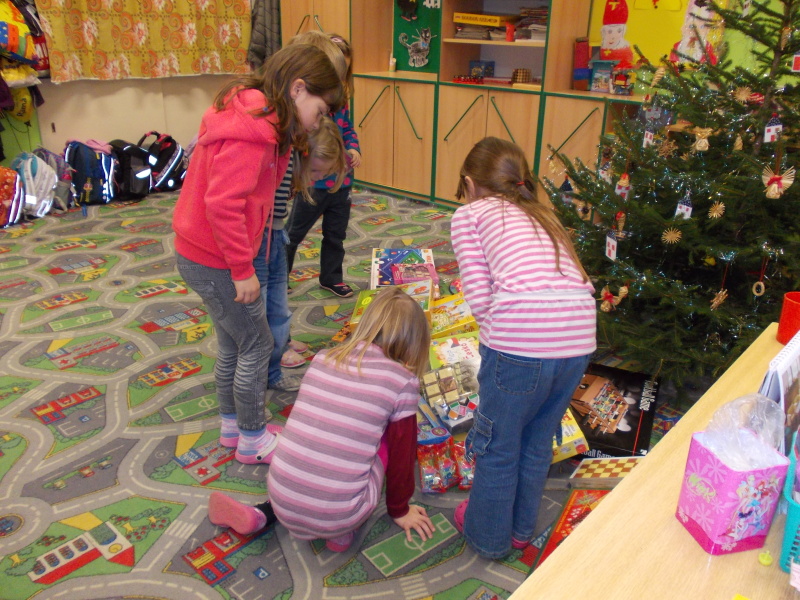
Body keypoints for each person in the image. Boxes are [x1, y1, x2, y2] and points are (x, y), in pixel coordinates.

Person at [172, 43, 343, 465]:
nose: (318, 121)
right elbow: (223, 204)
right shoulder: (256, 131)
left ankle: (232, 426)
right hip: (216, 259)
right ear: (298, 89)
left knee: (233, 345)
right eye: (320, 110)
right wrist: (242, 269)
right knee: (257, 344)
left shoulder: (261, 119)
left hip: (203, 254)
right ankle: (252, 438)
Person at [449, 137, 597, 559]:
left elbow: (479, 297)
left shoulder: (469, 214)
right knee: (537, 440)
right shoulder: (543, 214)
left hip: (520, 342)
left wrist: (499, 343)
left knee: (497, 444)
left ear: (469, 183)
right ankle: (519, 530)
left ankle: (489, 538)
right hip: (578, 338)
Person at [207, 287, 435, 551]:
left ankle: (262, 514)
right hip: (341, 515)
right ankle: (341, 533)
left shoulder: (323, 357)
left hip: (280, 496)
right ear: (416, 342)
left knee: (324, 437)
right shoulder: (403, 381)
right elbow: (401, 457)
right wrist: (399, 509)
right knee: (386, 437)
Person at [253, 116, 348, 385]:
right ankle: (269, 361)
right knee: (262, 310)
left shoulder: (291, 173)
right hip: (259, 241)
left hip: (274, 236)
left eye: (324, 175)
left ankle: (278, 355)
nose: (317, 179)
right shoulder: (279, 169)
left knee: (279, 308)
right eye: (315, 172)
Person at [285, 33, 361, 299]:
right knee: (293, 234)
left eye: (343, 73)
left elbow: (348, 129)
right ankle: (280, 276)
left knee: (335, 235)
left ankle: (331, 278)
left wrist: (354, 148)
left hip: (341, 183)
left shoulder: (341, 102)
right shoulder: (305, 106)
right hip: (312, 185)